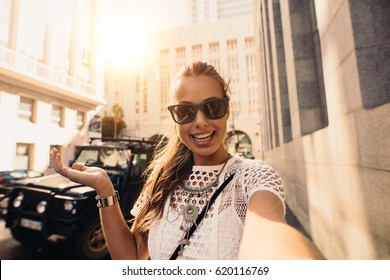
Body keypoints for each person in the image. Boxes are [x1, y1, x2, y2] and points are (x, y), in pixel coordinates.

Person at [51, 61, 320, 260]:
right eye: (185, 111)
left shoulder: (254, 176)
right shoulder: (161, 178)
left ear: (227, 110)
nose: (200, 121)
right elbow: (131, 258)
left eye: (212, 107)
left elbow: (268, 232)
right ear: (175, 117)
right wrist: (105, 189)